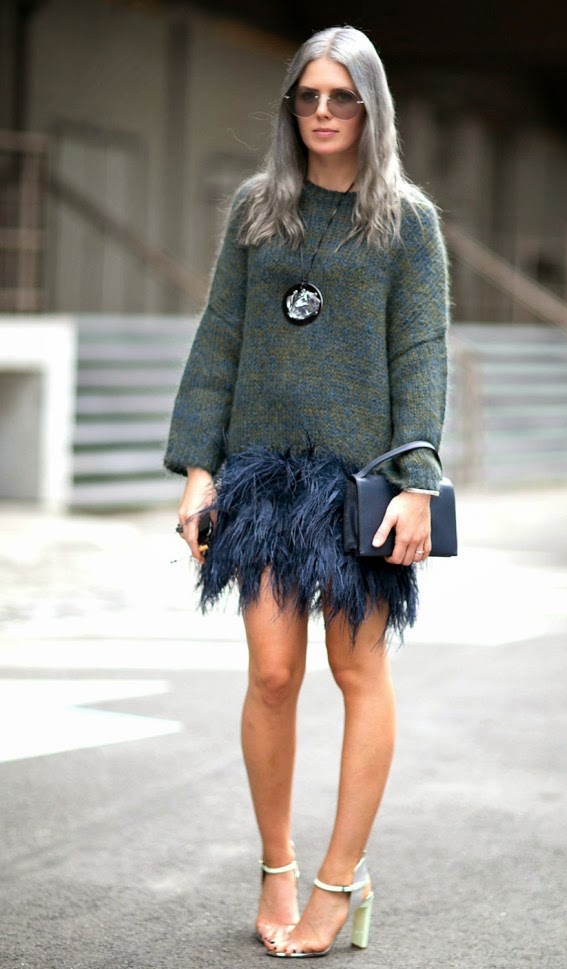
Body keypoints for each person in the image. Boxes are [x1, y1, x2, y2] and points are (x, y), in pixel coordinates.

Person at [164, 25, 449, 957]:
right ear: (291, 106)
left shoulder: (408, 222)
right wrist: (199, 469)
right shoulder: (259, 209)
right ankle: (276, 865)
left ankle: (339, 879)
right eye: (308, 97)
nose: (323, 113)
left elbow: (421, 355)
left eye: (342, 98)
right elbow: (221, 337)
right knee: (273, 673)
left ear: (372, 108)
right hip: (264, 477)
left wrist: (418, 481)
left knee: (357, 670)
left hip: (365, 485)